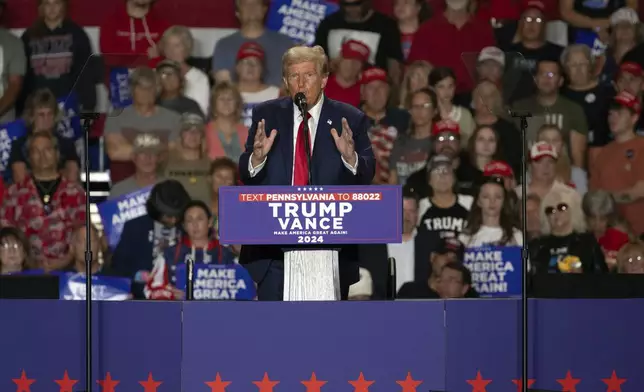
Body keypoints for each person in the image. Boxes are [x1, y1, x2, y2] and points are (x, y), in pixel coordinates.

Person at [238, 45, 375, 301]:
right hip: (273, 249)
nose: (301, 83)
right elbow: (247, 174)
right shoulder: (266, 115)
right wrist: (256, 159)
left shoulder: (349, 118)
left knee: (326, 335)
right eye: (294, 76)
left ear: (323, 79)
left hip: (331, 250)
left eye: (309, 75)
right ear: (285, 81)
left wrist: (350, 158)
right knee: (275, 332)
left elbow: (366, 173)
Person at [111, 179, 191, 298]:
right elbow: (118, 267)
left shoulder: (188, 229)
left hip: (179, 299)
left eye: (177, 215)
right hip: (141, 299)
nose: (173, 220)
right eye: (168, 216)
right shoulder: (135, 227)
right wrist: (137, 276)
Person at [145, 200, 236, 300]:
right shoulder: (169, 254)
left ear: (209, 222)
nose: (195, 224)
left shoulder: (226, 254)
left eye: (199, 219)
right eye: (189, 220)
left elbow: (242, 289)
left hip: (218, 313)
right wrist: (170, 294)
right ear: (184, 226)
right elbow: (149, 289)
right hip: (180, 313)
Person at [529, 187, 608, 274]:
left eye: (562, 207)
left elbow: (602, 280)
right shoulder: (536, 247)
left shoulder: (587, 243)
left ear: (573, 208)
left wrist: (582, 276)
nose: (556, 214)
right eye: (550, 210)